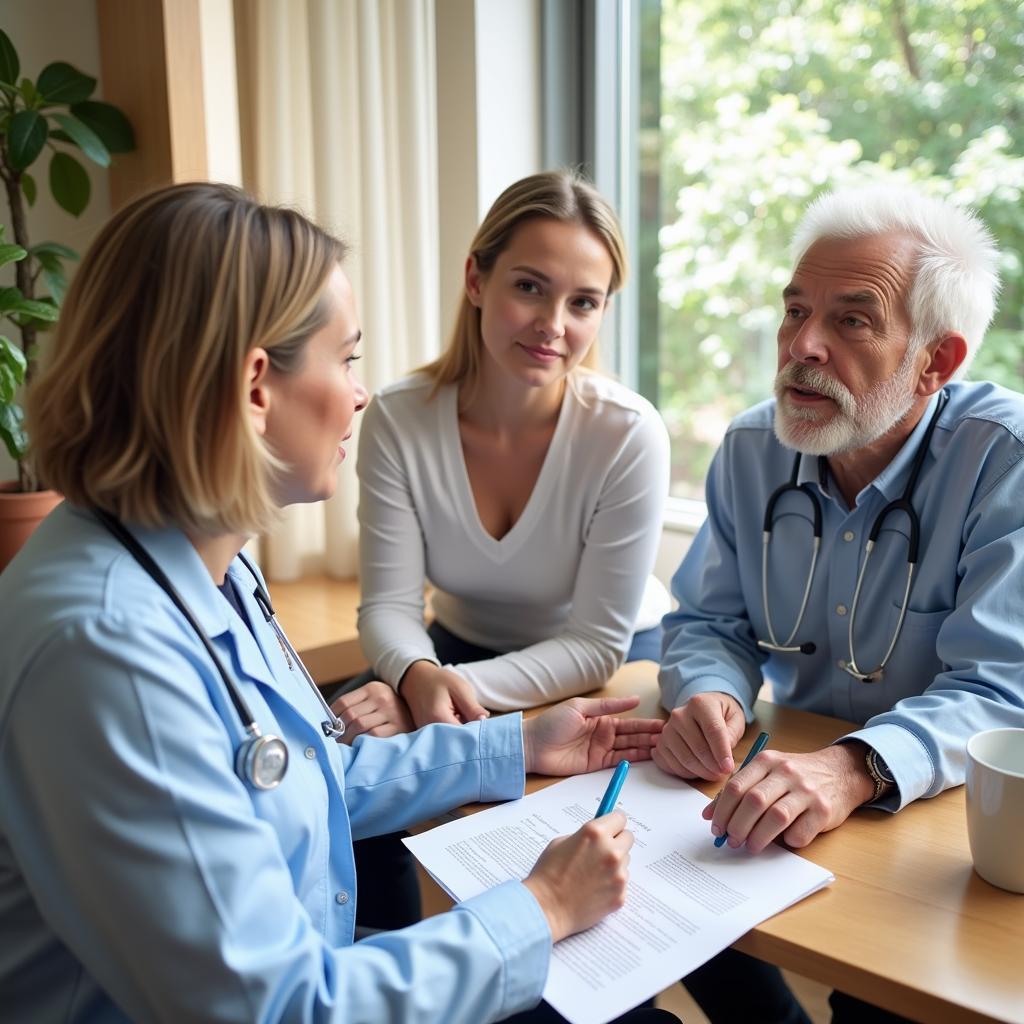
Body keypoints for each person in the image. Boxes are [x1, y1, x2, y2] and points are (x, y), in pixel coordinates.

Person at [0, 182, 680, 1024]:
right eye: (347, 359)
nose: (361, 395)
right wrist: (540, 906)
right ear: (257, 387)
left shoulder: (194, 560)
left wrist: (513, 744)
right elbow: (275, 1007)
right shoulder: (108, 652)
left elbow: (297, 779)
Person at [655, 182, 1024, 1024]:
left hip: (943, 822)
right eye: (794, 311)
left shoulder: (1006, 463)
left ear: (936, 362)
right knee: (668, 914)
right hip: (788, 802)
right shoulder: (753, 450)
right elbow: (711, 621)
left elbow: (1003, 692)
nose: (802, 347)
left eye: (852, 321)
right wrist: (709, 690)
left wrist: (853, 765)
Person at [339, 169, 669, 738]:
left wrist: (435, 690)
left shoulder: (628, 433)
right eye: (529, 287)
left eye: (583, 303)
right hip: (450, 649)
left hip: (613, 662)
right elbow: (388, 606)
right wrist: (417, 673)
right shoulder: (398, 417)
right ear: (475, 280)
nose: (552, 326)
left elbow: (594, 646)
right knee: (337, 741)